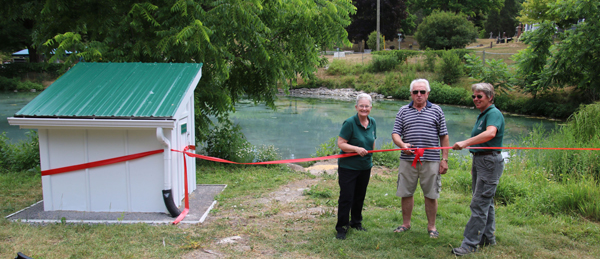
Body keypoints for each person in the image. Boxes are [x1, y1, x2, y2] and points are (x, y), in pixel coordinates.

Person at [451, 83, 505, 256]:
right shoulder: (484, 114)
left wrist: (466, 142)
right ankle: (487, 238)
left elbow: (490, 134)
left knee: (479, 203)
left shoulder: (493, 113)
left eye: (479, 96)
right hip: (480, 160)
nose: (475, 99)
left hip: (489, 162)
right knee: (485, 202)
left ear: (490, 97)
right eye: (474, 96)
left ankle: (469, 244)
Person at [391, 78, 449, 238]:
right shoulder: (403, 111)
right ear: (411, 93)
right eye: (415, 92)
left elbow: (444, 136)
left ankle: (431, 227)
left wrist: (444, 159)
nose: (419, 95)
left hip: (431, 160)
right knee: (406, 192)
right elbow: (395, 133)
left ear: (428, 93)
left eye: (422, 92)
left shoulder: (437, 110)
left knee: (431, 194)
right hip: (407, 160)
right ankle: (405, 224)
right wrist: (402, 145)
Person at [335, 93, 377, 240]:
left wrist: (371, 157)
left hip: (365, 166)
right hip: (349, 167)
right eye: (361, 106)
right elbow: (341, 144)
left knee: (360, 196)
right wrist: (356, 149)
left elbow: (372, 142)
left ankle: (356, 222)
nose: (364, 109)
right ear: (356, 107)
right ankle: (342, 228)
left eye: (367, 106)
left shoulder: (372, 122)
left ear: (371, 107)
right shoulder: (350, 123)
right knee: (347, 197)